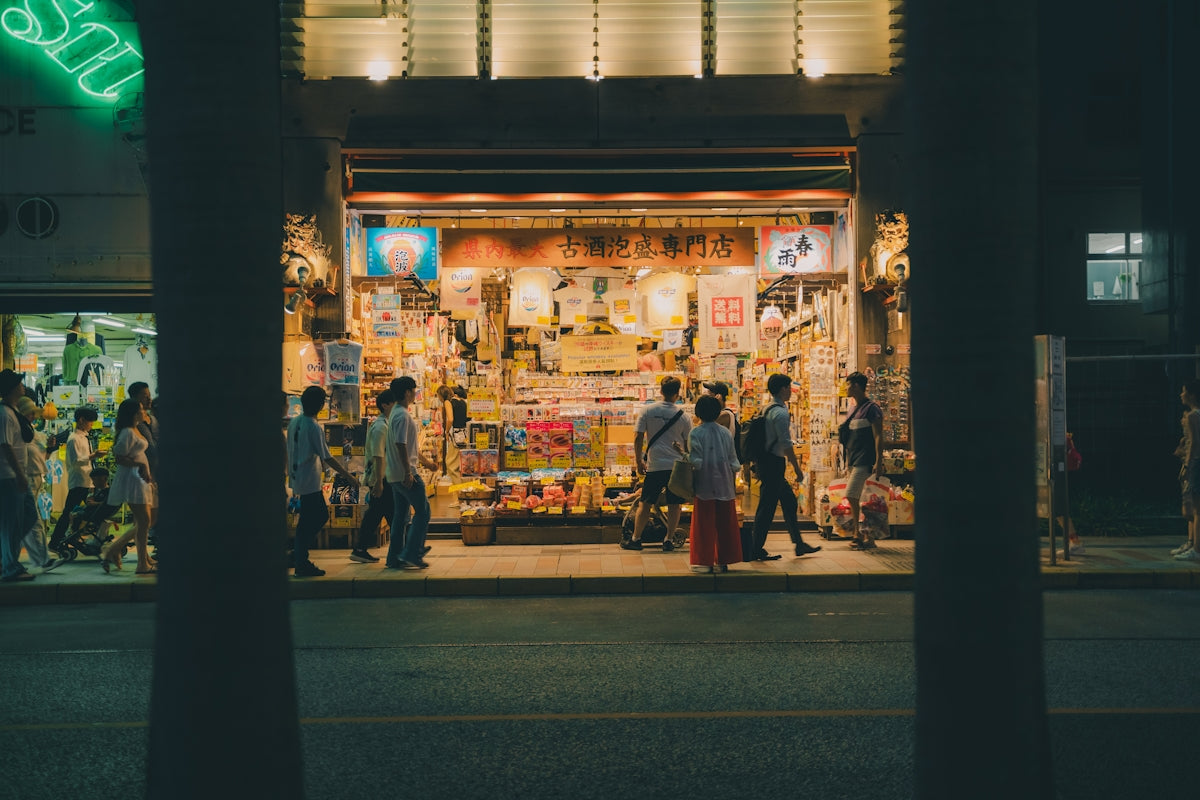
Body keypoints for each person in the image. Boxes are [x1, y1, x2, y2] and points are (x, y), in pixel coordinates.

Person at [287, 385, 360, 577]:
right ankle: (301, 559)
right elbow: (326, 456)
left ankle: (299, 554)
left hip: (298, 477)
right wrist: (348, 476)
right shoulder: (313, 426)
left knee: (308, 519)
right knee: (317, 517)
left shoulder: (295, 422)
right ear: (320, 405)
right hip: (309, 480)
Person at [750, 373, 821, 560]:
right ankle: (755, 548)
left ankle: (798, 544)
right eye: (789, 387)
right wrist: (797, 469)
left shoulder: (767, 408)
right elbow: (786, 443)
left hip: (766, 461)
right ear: (782, 389)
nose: (791, 391)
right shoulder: (780, 413)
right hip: (773, 463)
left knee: (788, 502)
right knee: (767, 507)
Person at [623, 376, 691, 551]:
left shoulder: (647, 411)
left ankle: (636, 538)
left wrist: (638, 461)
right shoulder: (684, 416)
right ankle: (668, 539)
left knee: (645, 502)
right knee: (674, 503)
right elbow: (687, 443)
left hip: (655, 465)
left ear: (660, 391)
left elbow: (638, 436)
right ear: (678, 393)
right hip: (676, 467)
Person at [385, 376, 438, 569]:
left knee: (400, 517)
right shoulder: (402, 416)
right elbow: (401, 445)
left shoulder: (396, 414)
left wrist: (428, 463)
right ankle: (412, 553)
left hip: (395, 475)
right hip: (405, 475)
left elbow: (409, 448)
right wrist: (409, 472)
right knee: (423, 512)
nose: (416, 393)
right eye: (414, 390)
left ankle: (395, 557)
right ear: (407, 392)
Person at [686, 395, 742, 573]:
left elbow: (697, 462)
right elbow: (734, 461)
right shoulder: (725, 432)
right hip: (725, 483)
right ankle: (724, 560)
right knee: (725, 524)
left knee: (704, 524)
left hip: (705, 484)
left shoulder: (696, 433)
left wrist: (684, 455)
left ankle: (705, 560)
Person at [101, 399, 157, 574]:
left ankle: (133, 556)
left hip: (140, 478)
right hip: (133, 480)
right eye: (141, 409)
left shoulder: (134, 429)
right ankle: (139, 562)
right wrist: (139, 466)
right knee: (144, 521)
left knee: (144, 521)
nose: (144, 411)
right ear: (133, 413)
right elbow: (119, 457)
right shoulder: (127, 432)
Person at [48, 406, 100, 556]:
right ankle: (56, 540)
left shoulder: (84, 437)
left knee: (83, 511)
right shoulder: (73, 439)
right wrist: (92, 456)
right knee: (69, 512)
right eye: (90, 421)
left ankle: (73, 536)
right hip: (78, 481)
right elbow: (74, 461)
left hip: (86, 480)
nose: (92, 425)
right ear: (82, 420)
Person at [840, 371, 884, 550]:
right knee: (861, 497)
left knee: (851, 494)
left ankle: (859, 532)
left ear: (856, 386)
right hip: (854, 459)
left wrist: (879, 461)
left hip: (866, 460)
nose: (846, 388)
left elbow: (879, 435)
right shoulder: (853, 409)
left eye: (848, 384)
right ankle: (865, 534)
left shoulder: (871, 408)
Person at [17, 396, 60, 572]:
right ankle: (41, 559)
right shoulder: (19, 431)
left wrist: (49, 449)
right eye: (32, 413)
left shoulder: (30, 431)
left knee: (29, 520)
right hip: (24, 478)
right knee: (31, 520)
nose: (34, 416)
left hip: (34, 477)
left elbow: (41, 457)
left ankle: (40, 558)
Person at [0, 370, 36, 582]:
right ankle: (10, 567)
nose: (23, 387)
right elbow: (5, 446)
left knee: (27, 516)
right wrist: (19, 474)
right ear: (13, 388)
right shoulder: (4, 414)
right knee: (12, 523)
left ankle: (6, 556)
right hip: (10, 476)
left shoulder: (12, 411)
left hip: (16, 476)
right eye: (20, 384)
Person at [353, 389, 396, 564]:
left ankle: (361, 548)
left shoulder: (385, 424)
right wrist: (379, 482)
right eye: (393, 403)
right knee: (389, 514)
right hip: (381, 478)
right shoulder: (380, 427)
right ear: (385, 405)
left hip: (384, 477)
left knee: (379, 513)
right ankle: (402, 550)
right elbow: (379, 455)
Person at [128, 382, 160, 548]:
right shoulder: (132, 425)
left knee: (151, 518)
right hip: (142, 477)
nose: (149, 399)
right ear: (135, 398)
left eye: (149, 395)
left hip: (157, 474)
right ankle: (118, 549)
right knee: (144, 519)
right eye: (144, 396)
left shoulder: (153, 419)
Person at [1172, 379, 1200, 561]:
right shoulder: (1193, 415)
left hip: (1195, 462)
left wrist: (1187, 466)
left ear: (1191, 394)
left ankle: (1196, 549)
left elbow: (1195, 444)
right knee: (1194, 506)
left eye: (1183, 391)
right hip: (1196, 462)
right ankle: (1192, 543)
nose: (1181, 395)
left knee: (1195, 508)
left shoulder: (1192, 416)